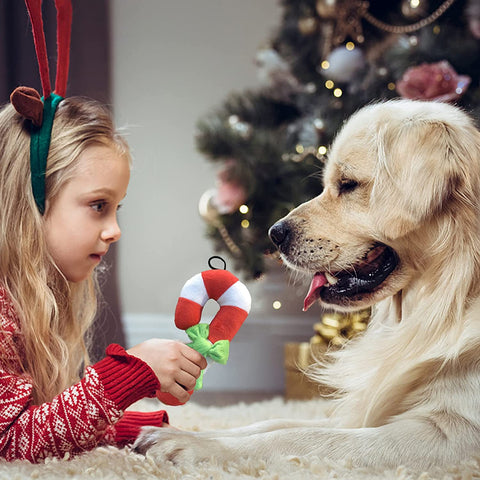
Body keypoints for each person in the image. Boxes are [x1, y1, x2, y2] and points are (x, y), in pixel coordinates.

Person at [0, 96, 207, 462]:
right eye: (98, 206)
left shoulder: (30, 300)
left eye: (116, 208)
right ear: (32, 203)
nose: (114, 230)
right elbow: (11, 442)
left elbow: (42, 421)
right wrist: (126, 374)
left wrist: (124, 429)